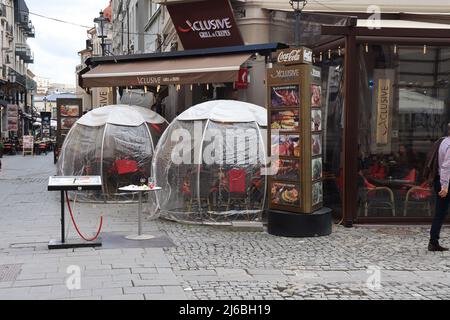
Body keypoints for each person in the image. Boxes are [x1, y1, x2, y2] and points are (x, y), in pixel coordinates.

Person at [429, 124, 450, 252]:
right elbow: (446, 167)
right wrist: (445, 186)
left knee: (440, 213)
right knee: (440, 213)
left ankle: (433, 241)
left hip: (440, 180)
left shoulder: (443, 141)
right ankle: (433, 242)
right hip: (445, 182)